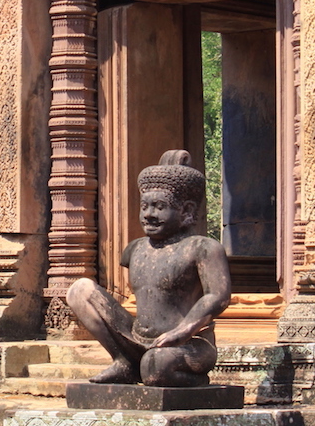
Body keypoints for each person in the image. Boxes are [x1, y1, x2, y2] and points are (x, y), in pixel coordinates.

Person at [67, 150, 231, 387]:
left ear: (186, 211)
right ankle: (124, 361)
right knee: (80, 290)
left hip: (190, 345)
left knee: (154, 367)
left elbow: (218, 296)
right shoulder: (135, 248)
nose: (149, 215)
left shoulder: (203, 248)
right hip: (137, 339)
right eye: (145, 206)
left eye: (159, 207)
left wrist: (182, 331)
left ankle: (193, 381)